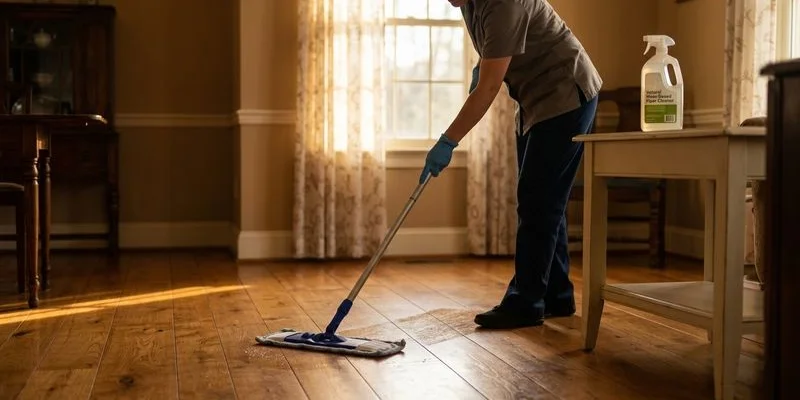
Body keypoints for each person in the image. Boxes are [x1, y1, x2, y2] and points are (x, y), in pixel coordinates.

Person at [419, 0, 602, 329]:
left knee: (537, 201)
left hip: (564, 91)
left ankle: (526, 301)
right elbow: (494, 52)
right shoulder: (469, 4)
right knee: (544, 201)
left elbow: (489, 87)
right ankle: (557, 296)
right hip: (534, 100)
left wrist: (448, 141)